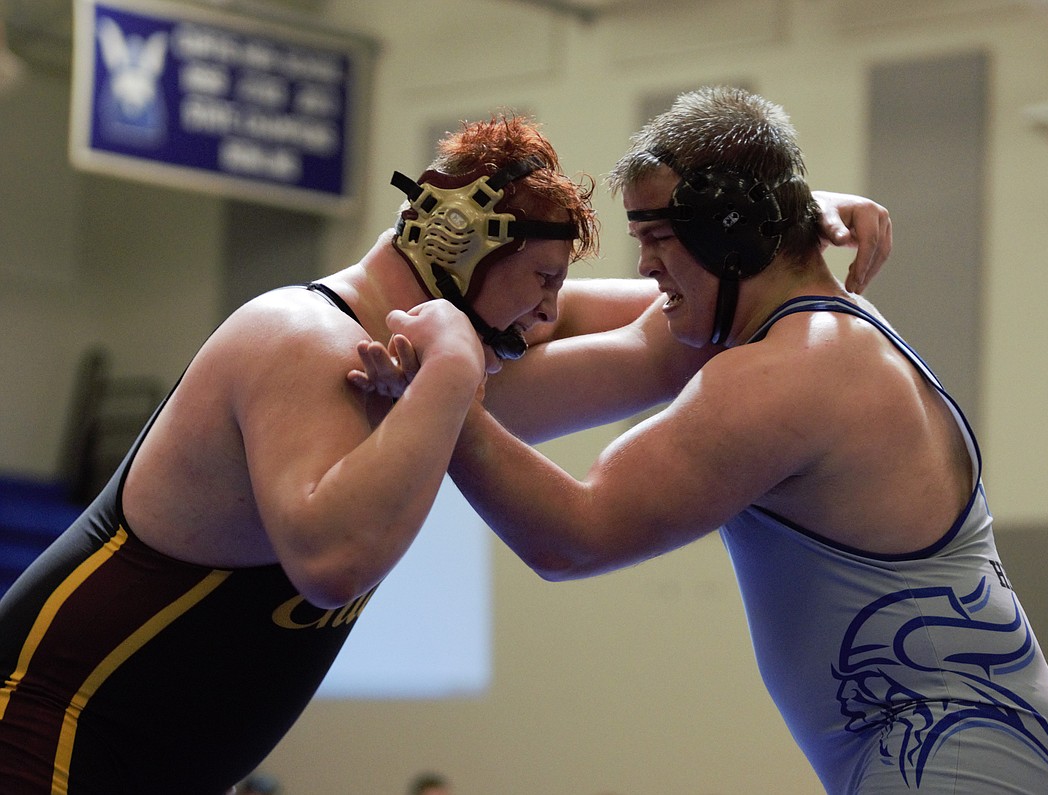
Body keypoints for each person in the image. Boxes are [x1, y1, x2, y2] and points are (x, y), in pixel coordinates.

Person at [0, 110, 889, 794]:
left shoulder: (426, 367)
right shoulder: (300, 337)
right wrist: (455, 370)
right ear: (463, 246)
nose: (546, 317)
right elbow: (333, 560)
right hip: (45, 731)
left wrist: (777, 235)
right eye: (543, 283)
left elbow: (682, 332)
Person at [395, 88, 1048, 793]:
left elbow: (574, 535)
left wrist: (441, 385)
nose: (645, 268)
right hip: (986, 738)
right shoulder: (827, 326)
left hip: (954, 753)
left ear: (731, 235)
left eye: (657, 240)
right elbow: (551, 318)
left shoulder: (786, 374)